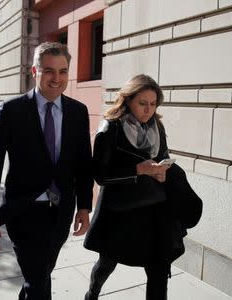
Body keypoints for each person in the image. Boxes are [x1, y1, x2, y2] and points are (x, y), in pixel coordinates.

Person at [0, 41, 93, 300]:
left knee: (39, 276)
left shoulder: (78, 111)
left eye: (63, 71)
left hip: (61, 211)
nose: (57, 78)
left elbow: (83, 163)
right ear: (34, 71)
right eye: (49, 71)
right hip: (23, 211)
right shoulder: (11, 110)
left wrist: (84, 206)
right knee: (38, 280)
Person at [83, 74, 202, 300]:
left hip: (155, 206)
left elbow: (162, 154)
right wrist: (137, 170)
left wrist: (162, 170)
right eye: (142, 103)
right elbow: (100, 175)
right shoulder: (110, 129)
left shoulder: (157, 126)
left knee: (159, 266)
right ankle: (92, 293)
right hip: (121, 209)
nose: (148, 110)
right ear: (127, 100)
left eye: (153, 104)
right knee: (107, 262)